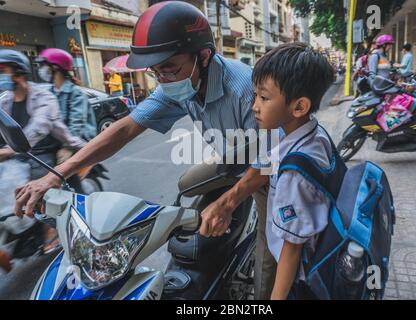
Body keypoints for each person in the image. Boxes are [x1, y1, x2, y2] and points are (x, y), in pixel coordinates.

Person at [13, 1, 274, 299]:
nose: (162, 79)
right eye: (155, 73)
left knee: (272, 251)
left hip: (267, 167)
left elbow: (269, 158)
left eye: (169, 69)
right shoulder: (178, 81)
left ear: (203, 56)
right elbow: (124, 129)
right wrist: (57, 174)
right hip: (235, 156)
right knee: (186, 190)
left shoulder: (244, 89)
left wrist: (227, 204)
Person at [202, 43, 335, 300]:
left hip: (302, 276)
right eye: (255, 96)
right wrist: (228, 202)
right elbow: (266, 163)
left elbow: (292, 249)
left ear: (299, 107)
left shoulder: (294, 175)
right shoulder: (309, 133)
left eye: (264, 98)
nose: (254, 106)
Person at [0, 49, 85, 254]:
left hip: (45, 149)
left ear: (18, 72)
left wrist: (8, 150)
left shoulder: (43, 95)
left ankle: (52, 228)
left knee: (38, 180)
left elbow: (38, 128)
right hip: (19, 153)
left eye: (3, 71)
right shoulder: (5, 99)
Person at [36, 48, 97, 192]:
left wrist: (67, 148)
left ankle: (82, 205)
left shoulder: (75, 93)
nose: (41, 70)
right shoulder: (48, 92)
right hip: (58, 140)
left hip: (77, 141)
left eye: (44, 66)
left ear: (55, 68)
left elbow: (77, 123)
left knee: (65, 173)